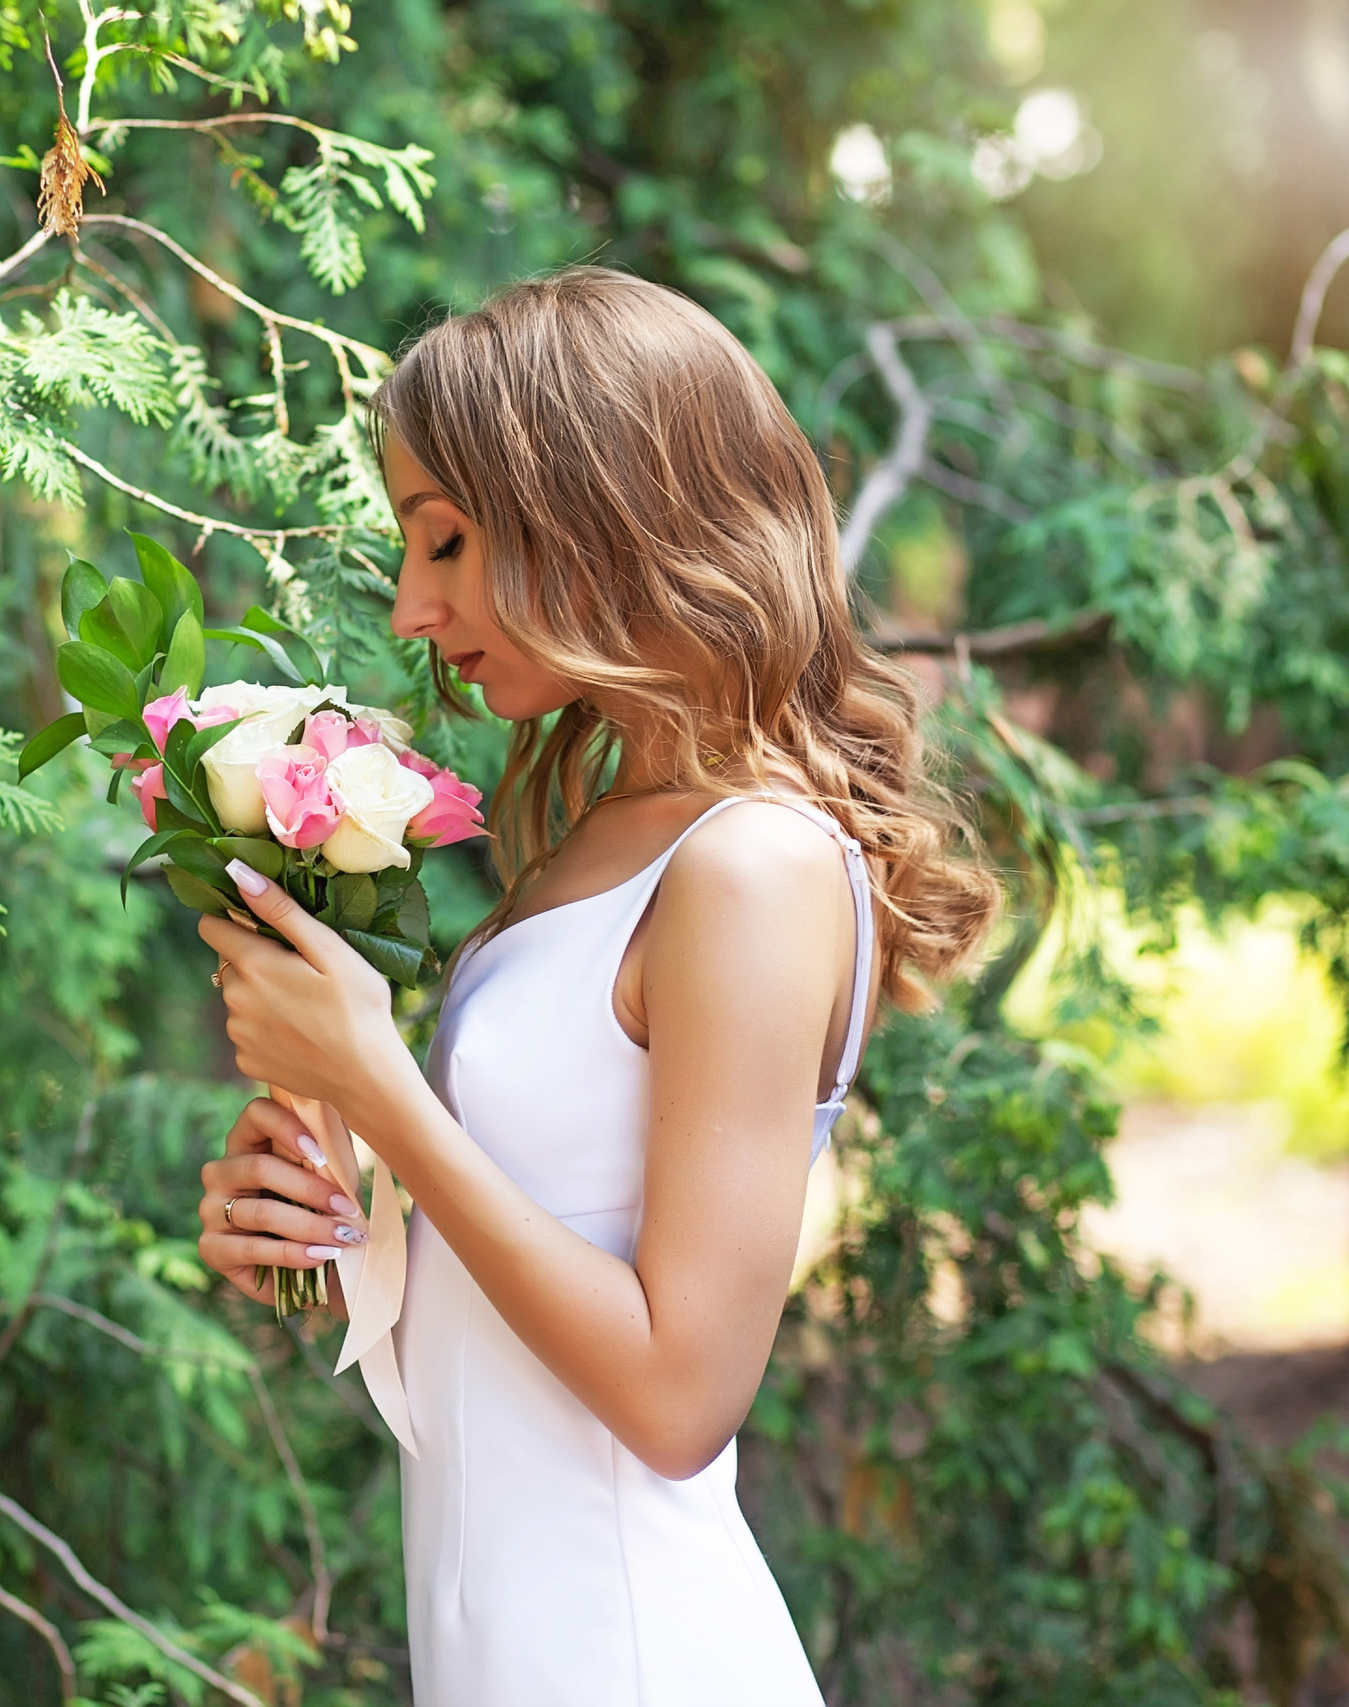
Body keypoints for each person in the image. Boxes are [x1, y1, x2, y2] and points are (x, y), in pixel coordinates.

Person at [191, 267, 999, 1704]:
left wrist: (381, 1080)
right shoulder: (600, 846)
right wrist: (329, 1214)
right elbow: (525, 1274)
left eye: (446, 543)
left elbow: (680, 1395)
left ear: (598, 507)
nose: (410, 608)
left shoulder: (750, 865)